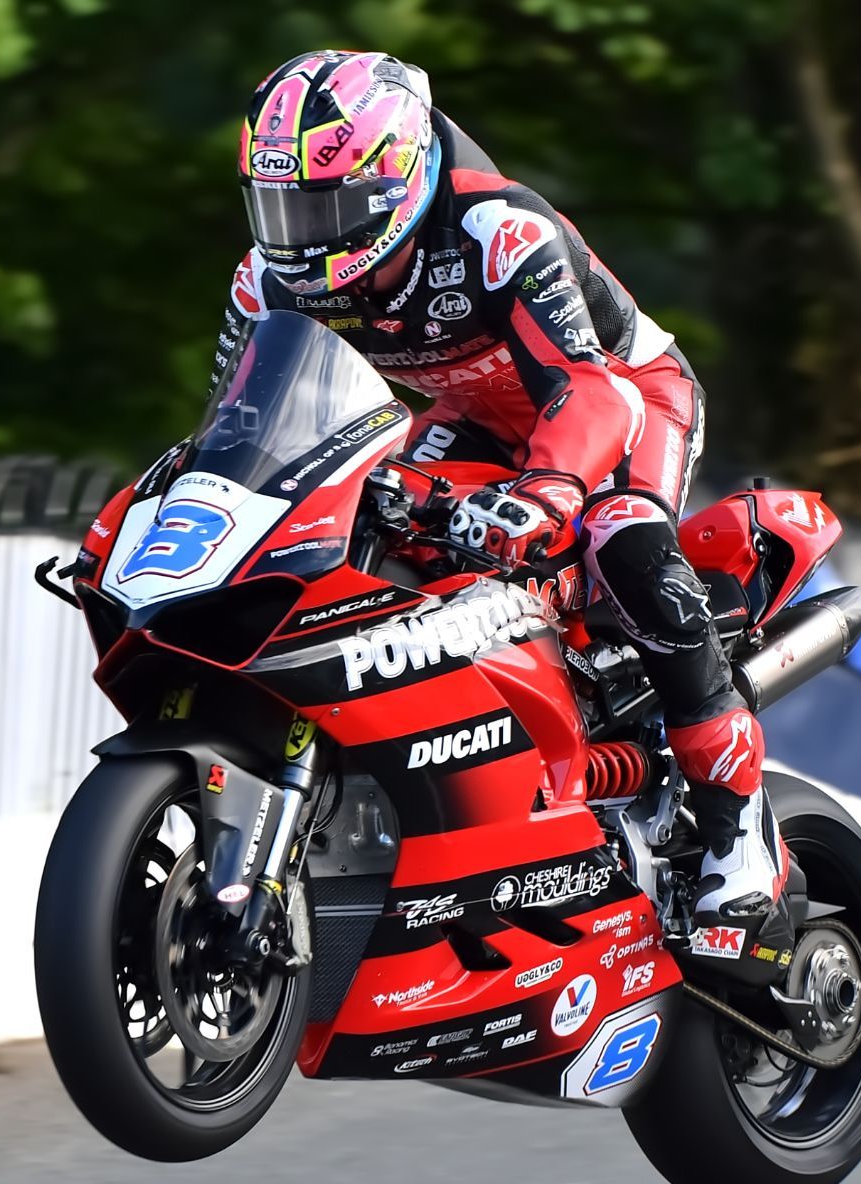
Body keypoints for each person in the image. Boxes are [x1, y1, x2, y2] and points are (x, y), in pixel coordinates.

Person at [214, 50, 789, 957]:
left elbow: (593, 393)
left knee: (621, 533)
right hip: (471, 417)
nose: (299, 235)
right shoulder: (268, 280)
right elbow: (245, 421)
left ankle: (734, 814)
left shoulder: (497, 229)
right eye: (280, 206)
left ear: (395, 177)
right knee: (373, 528)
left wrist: (550, 490)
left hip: (623, 397)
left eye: (323, 209)